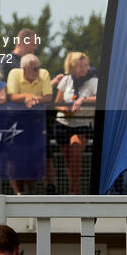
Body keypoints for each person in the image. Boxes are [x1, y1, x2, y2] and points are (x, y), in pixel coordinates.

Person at [5, 54, 52, 195]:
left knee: (36, 156)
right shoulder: (14, 73)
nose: (38, 71)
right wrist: (27, 97)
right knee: (15, 158)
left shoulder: (44, 74)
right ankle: (18, 192)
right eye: (34, 69)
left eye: (38, 68)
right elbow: (11, 96)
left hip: (37, 122)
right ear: (24, 69)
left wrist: (34, 99)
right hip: (16, 122)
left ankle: (32, 192)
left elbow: (48, 97)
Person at [54, 52, 96, 194]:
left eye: (86, 65)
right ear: (72, 67)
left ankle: (75, 189)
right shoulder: (66, 80)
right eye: (80, 66)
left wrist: (83, 100)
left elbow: (100, 98)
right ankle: (73, 189)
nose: (85, 68)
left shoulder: (93, 80)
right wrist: (65, 109)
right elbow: (57, 103)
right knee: (69, 161)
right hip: (63, 123)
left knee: (76, 148)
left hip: (82, 124)